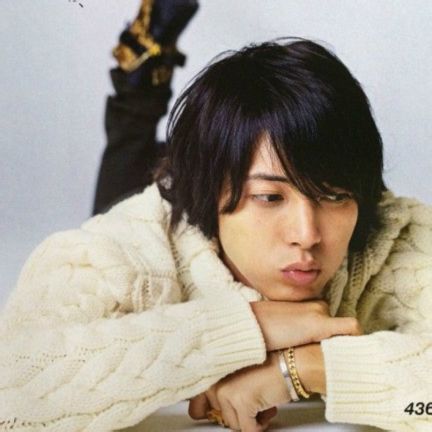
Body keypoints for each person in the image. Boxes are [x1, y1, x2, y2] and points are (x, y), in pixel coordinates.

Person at [1, 10, 432, 432]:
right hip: (171, 216)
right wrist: (245, 329)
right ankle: (140, 84)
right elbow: (12, 391)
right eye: (269, 197)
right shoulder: (122, 250)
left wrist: (304, 369)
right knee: (123, 185)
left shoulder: (394, 233)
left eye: (334, 196)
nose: (307, 235)